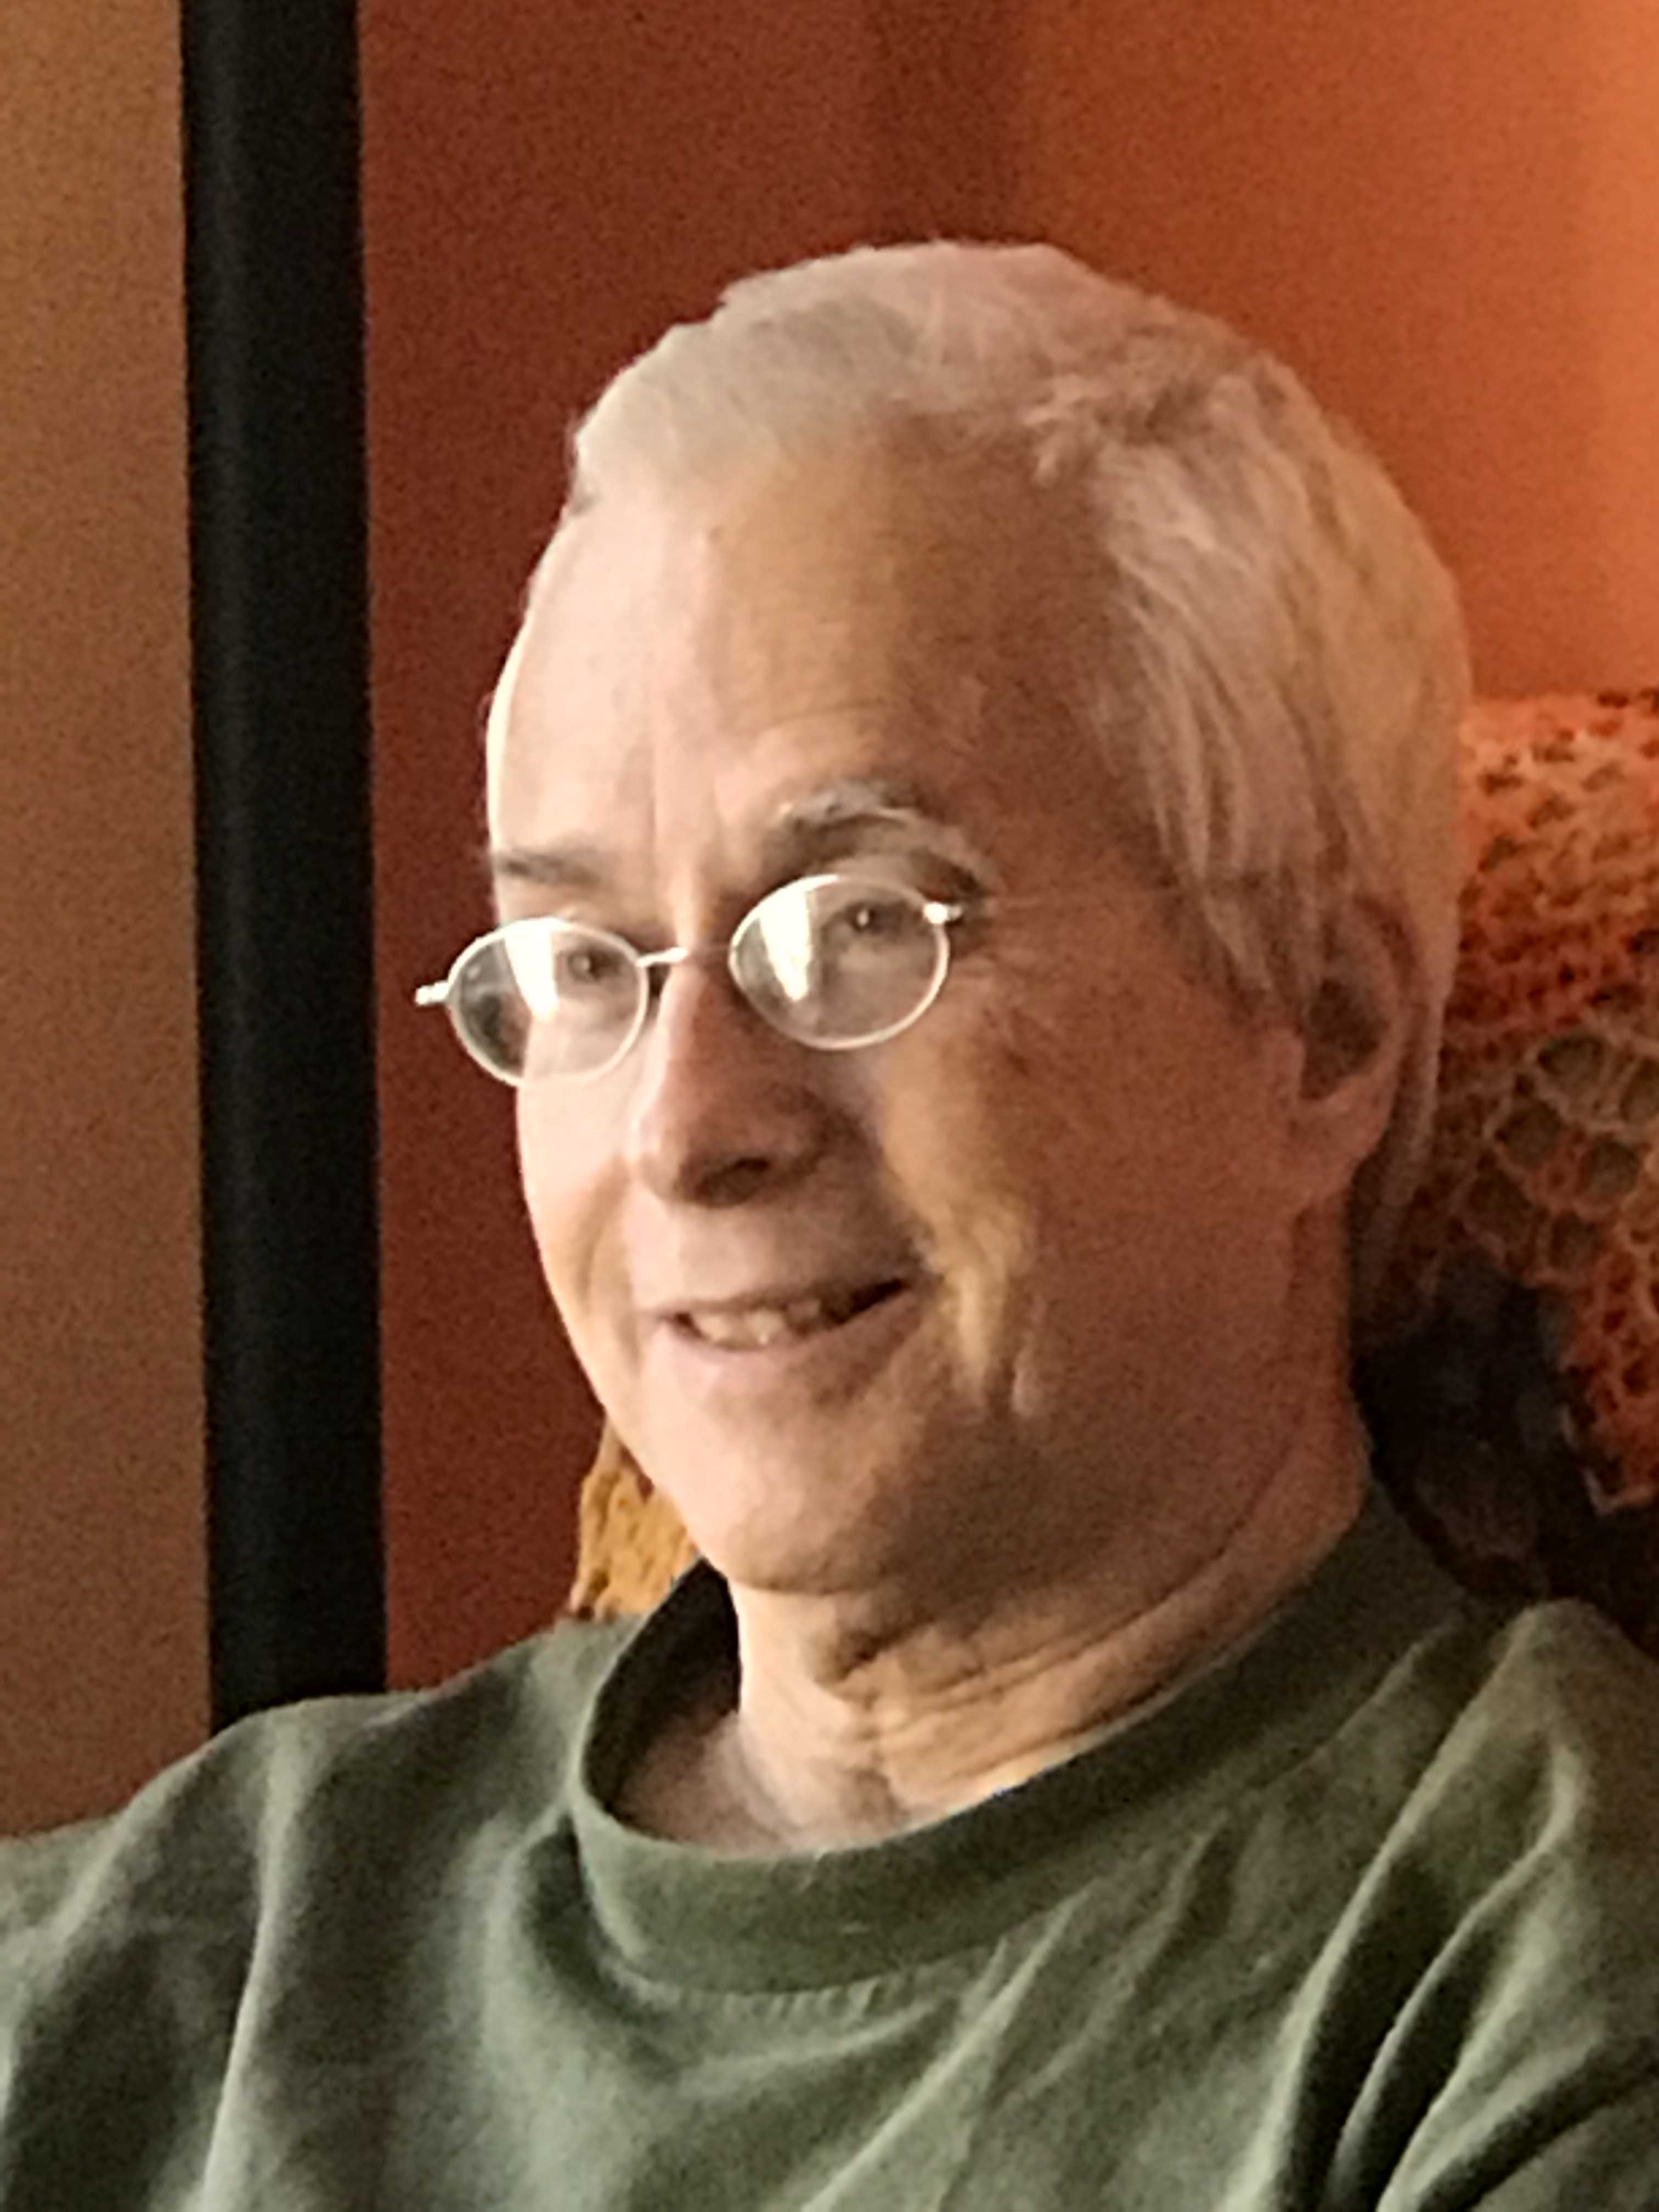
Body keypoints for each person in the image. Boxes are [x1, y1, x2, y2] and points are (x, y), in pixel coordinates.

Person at [4, 242, 1658, 2210]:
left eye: (861, 923)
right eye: (584, 960)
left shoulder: (1531, 1978)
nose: (681, 1126)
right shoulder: (217, 1929)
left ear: (1320, 1028)